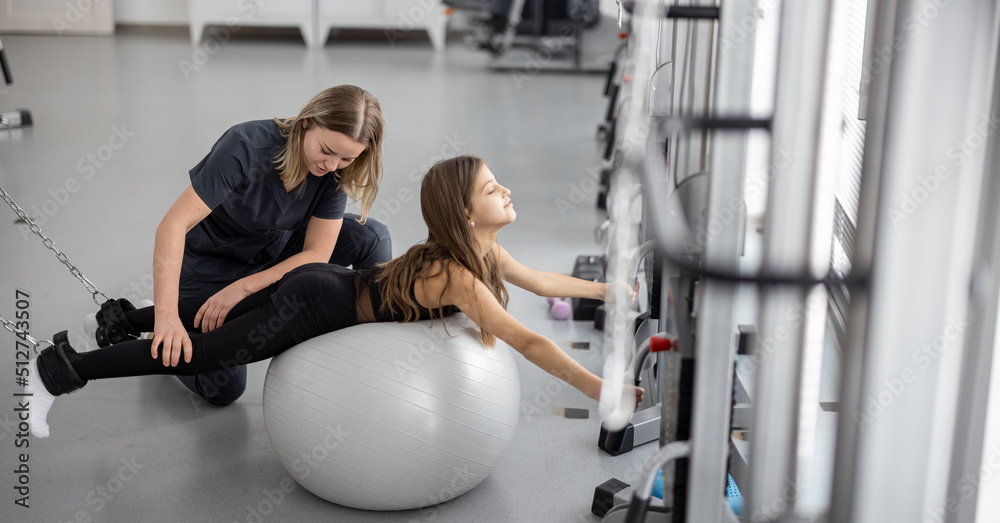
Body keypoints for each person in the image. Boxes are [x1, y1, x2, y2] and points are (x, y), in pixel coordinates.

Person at [28, 155, 643, 438]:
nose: (505, 190)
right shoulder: (461, 273)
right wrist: (600, 390)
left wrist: (606, 289)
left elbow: (542, 282)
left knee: (220, 319)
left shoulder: (480, 253)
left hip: (326, 287)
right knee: (201, 354)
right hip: (317, 305)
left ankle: (119, 319)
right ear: (465, 212)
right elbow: (529, 338)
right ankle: (64, 369)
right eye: (492, 187)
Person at [85, 85, 389, 406]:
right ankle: (154, 325)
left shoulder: (337, 169)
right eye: (326, 150)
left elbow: (316, 254)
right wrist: (166, 317)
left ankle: (373, 344)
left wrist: (245, 288)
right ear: (306, 123)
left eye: (346, 157)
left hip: (273, 253)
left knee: (371, 237)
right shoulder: (245, 146)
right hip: (211, 264)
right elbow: (172, 226)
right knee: (224, 387)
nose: (332, 164)